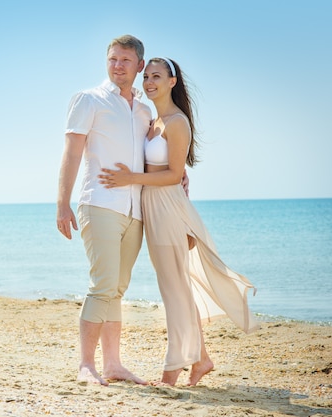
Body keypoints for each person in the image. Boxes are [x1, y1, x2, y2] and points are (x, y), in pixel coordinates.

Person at [98, 57, 260, 386]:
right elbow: (172, 171)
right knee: (176, 288)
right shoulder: (152, 120)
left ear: (172, 82)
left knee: (174, 291)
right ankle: (201, 359)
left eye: (156, 76)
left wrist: (132, 177)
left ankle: (171, 373)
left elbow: (173, 175)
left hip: (168, 210)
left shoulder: (177, 122)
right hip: (154, 209)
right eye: (146, 76)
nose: (148, 81)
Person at [56, 34, 153, 386]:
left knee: (117, 289)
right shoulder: (89, 100)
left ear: (139, 65)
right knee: (102, 286)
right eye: (113, 59)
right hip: (98, 203)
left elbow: (152, 155)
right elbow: (72, 153)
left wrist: (180, 173)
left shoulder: (144, 110)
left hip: (135, 211)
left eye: (125, 60)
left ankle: (113, 365)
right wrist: (62, 203)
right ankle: (86, 365)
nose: (118, 65)